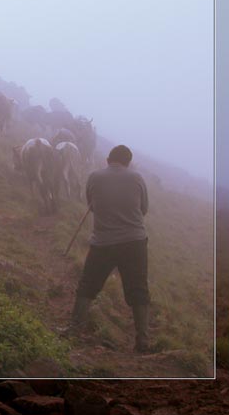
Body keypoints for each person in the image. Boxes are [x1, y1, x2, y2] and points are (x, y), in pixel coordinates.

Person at [68, 144, 151, 353]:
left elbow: (93, 205)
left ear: (108, 159)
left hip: (103, 242)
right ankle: (143, 341)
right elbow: (143, 209)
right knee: (138, 289)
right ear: (128, 163)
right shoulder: (137, 178)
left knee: (88, 285)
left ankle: (74, 330)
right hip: (135, 243)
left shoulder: (94, 177)